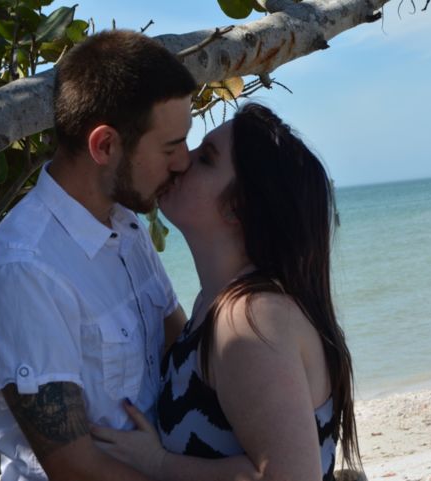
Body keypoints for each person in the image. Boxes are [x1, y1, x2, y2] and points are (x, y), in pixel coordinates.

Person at [0, 30, 197, 481]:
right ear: (104, 146)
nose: (184, 161)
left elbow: (179, 345)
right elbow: (73, 467)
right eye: (170, 147)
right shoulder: (23, 272)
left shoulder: (124, 224)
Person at [91, 103, 361, 481]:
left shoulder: (249, 321)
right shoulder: (217, 303)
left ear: (236, 207)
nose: (182, 160)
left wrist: (157, 463)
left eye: (205, 158)